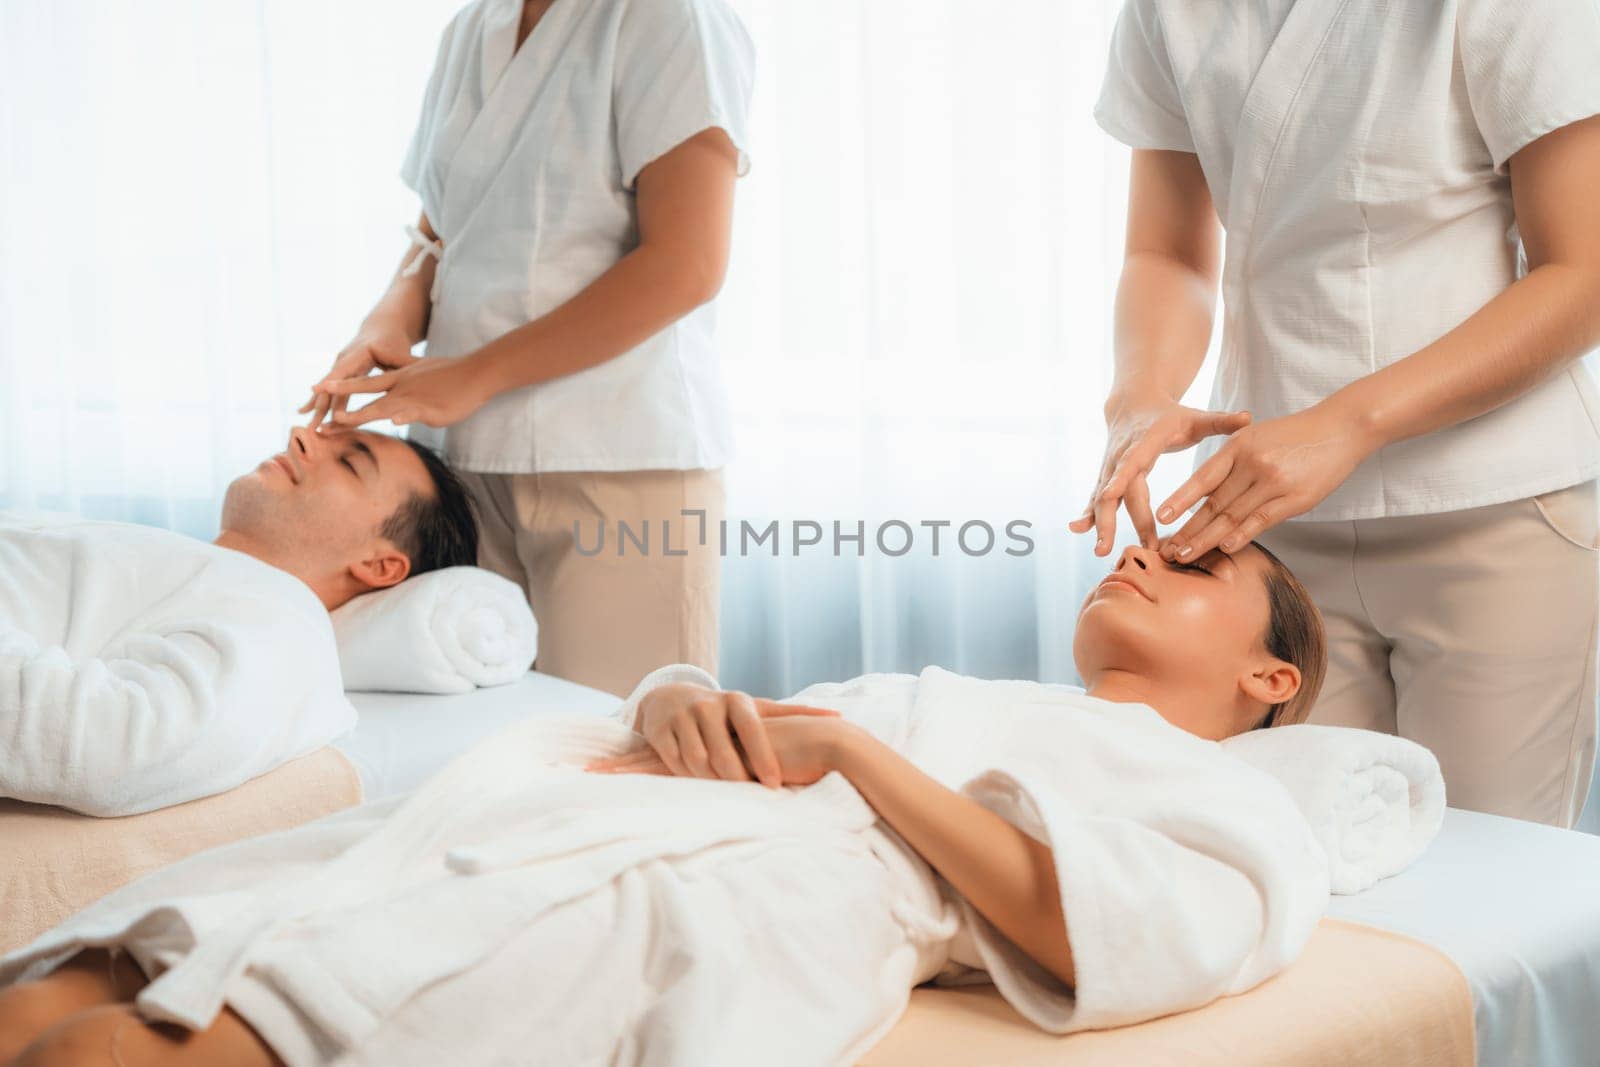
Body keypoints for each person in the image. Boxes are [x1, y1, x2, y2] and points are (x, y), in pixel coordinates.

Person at [0, 540, 1330, 1065]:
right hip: (569, 792)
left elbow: (1071, 919)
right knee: (50, 991)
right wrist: (670, 698)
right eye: (1141, 540)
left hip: (748, 882)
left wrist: (857, 761)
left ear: (1273, 674)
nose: (1139, 552)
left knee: (109, 1055)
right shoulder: (957, 684)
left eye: (1197, 560)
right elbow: (750, 715)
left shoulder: (1242, 807)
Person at [1075, 0, 1600, 827]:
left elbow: (1583, 273)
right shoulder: (1166, 11)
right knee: (1297, 858)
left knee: (1491, 876)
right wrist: (1138, 397)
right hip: (1269, 534)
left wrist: (1351, 422)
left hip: (1494, 510)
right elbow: (1166, 252)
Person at [298, 0, 756, 700]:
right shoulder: (473, 28)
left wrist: (477, 374)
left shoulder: (667, 18)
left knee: (624, 751)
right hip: (465, 463)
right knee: (482, 752)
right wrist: (387, 319)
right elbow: (441, 231)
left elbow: (687, 263)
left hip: (619, 458)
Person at [0, 427, 478, 816]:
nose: (300, 436)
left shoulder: (285, 626)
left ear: (378, 565)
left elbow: (106, 744)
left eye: (349, 463)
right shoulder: (197, 570)